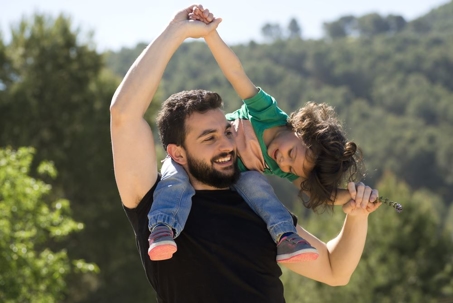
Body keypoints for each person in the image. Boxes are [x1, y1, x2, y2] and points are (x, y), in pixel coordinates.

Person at [110, 5, 381, 303]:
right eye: (208, 138)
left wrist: (356, 213)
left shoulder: (261, 208)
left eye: (227, 131)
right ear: (178, 153)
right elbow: (124, 115)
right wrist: (177, 32)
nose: (227, 144)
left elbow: (334, 270)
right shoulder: (155, 201)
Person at [146, 6, 365, 262]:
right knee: (174, 179)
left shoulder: (284, 166)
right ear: (298, 128)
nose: (283, 163)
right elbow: (236, 72)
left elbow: (318, 195)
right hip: (196, 158)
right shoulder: (268, 114)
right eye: (291, 153)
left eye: (292, 168)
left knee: (258, 187)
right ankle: (163, 228)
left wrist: (357, 197)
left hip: (230, 175)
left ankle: (286, 237)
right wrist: (210, 35)